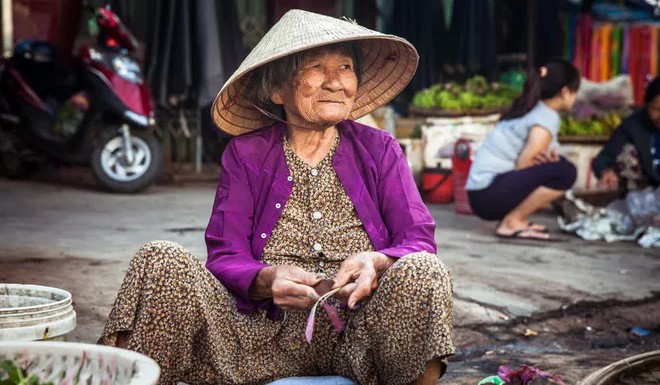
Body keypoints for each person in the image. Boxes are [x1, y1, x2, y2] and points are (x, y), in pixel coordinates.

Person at [98, 10, 454, 385]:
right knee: (160, 259)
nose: (336, 82)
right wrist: (268, 279)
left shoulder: (380, 148)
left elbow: (418, 240)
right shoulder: (246, 153)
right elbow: (224, 255)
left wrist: (377, 261)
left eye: (346, 67)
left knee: (425, 270)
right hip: (258, 340)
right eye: (316, 67)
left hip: (360, 336)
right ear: (277, 90)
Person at [466, 60, 579, 240]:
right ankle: (512, 221)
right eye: (575, 92)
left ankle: (512, 219)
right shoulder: (546, 116)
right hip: (487, 195)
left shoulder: (527, 108)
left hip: (480, 193)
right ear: (565, 92)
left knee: (558, 166)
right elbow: (524, 165)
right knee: (565, 171)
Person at [593, 76, 660, 191]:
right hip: (646, 193)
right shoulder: (633, 125)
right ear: (647, 106)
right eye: (657, 109)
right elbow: (604, 158)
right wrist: (607, 172)